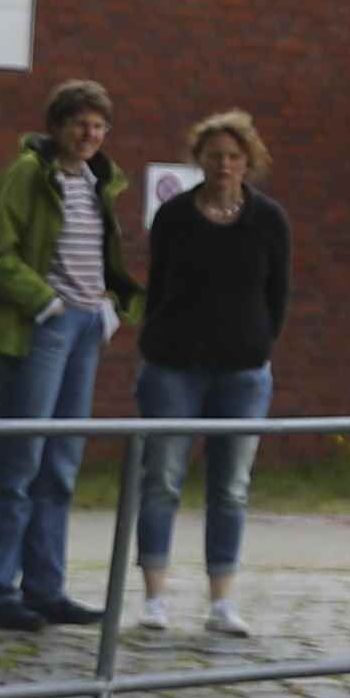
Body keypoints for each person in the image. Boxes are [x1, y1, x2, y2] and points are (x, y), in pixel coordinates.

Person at [0, 79, 141, 631]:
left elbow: (100, 255)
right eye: (80, 123)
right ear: (57, 126)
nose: (90, 134)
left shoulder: (98, 182)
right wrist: (46, 304)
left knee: (61, 463)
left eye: (99, 125)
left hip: (86, 327)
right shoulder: (27, 175)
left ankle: (45, 587)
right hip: (45, 327)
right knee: (20, 461)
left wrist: (110, 303)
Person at [131, 109, 290, 637]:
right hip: (173, 368)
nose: (224, 165)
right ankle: (155, 598)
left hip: (242, 373)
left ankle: (221, 601)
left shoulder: (270, 221)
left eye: (234, 157)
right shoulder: (174, 216)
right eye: (214, 156)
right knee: (162, 480)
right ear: (198, 159)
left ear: (249, 162)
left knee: (231, 488)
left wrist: (257, 344)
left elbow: (277, 297)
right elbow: (158, 289)